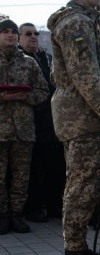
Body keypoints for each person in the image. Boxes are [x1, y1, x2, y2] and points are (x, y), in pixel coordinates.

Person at [48, 0, 100, 255]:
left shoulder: (84, 22)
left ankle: (77, 249)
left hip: (83, 116)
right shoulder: (76, 23)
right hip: (83, 117)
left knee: (83, 182)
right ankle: (74, 254)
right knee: (82, 185)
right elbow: (86, 76)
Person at [0, 19, 49, 234]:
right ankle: (2, 215)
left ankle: (17, 215)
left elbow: (43, 90)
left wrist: (24, 97)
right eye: (5, 32)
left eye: (12, 32)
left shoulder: (29, 62)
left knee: (22, 176)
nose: (10, 35)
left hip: (24, 129)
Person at [18, 23, 65, 222]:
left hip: (52, 121)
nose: (33, 37)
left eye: (36, 33)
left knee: (55, 167)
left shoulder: (47, 59)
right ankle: (33, 208)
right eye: (28, 34)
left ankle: (55, 206)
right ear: (20, 38)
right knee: (33, 170)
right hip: (27, 122)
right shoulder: (19, 61)